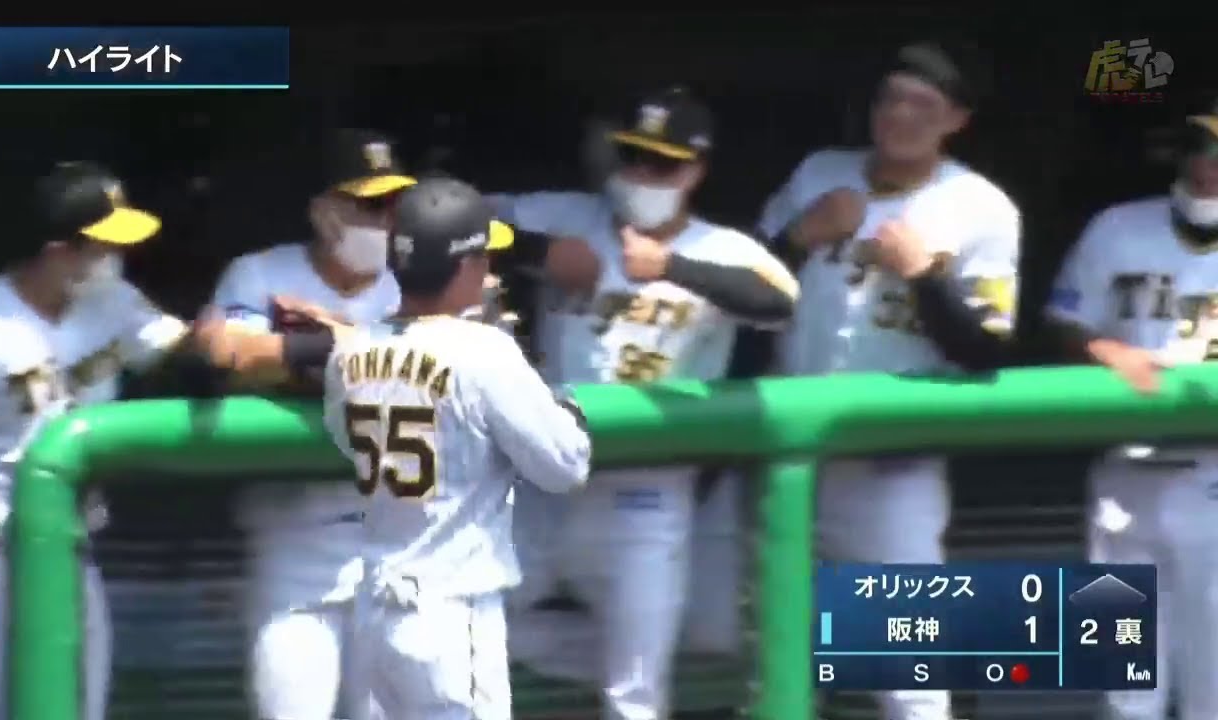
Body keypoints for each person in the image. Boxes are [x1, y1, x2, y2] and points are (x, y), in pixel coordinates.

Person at [194, 175, 593, 719]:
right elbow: (566, 466)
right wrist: (564, 409)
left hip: (378, 600)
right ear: (467, 266)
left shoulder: (353, 351)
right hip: (453, 608)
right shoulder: (486, 349)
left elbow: (345, 435)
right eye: (483, 260)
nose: (489, 271)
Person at [492, 86, 799, 720]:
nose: (642, 175)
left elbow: (778, 302)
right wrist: (538, 252)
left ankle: (647, 665)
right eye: (633, 157)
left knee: (635, 694)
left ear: (697, 171)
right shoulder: (567, 217)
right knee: (469, 623)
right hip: (546, 482)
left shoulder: (720, 247)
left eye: (663, 164)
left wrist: (672, 267)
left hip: (647, 497)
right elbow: (448, 219)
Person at [754, 44, 1019, 720]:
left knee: (906, 667)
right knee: (759, 643)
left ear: (956, 119)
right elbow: (745, 290)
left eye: (923, 104)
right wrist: (801, 235)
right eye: (889, 99)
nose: (901, 114)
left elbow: (985, 348)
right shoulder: (820, 172)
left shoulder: (981, 206)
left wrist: (925, 275)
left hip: (890, 466)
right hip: (787, 451)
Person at [0, 162, 189, 720]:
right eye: (102, 245)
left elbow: (193, 363)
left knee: (79, 709)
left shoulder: (116, 303)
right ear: (58, 252)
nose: (115, 257)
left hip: (75, 549)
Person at [209, 128, 413, 720]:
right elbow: (232, 357)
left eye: (392, 203)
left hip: (396, 542)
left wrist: (314, 349)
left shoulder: (415, 282)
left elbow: (441, 374)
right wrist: (357, 357)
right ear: (323, 212)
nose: (385, 219)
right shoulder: (259, 274)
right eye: (369, 204)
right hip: (294, 539)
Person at [1044, 99, 1218, 720]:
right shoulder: (1117, 228)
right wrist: (1100, 347)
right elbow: (1066, 322)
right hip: (1125, 477)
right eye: (1200, 147)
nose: (1208, 165)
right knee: (1125, 695)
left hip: (1213, 474)